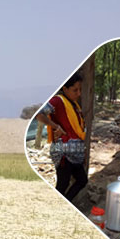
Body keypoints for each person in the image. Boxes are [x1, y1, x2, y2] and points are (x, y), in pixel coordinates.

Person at [36, 73, 87, 202]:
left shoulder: (74, 105)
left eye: (80, 89)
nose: (79, 93)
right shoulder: (58, 100)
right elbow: (39, 113)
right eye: (75, 90)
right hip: (64, 153)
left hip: (74, 153)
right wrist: (55, 127)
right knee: (62, 185)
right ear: (65, 89)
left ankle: (65, 203)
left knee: (82, 180)